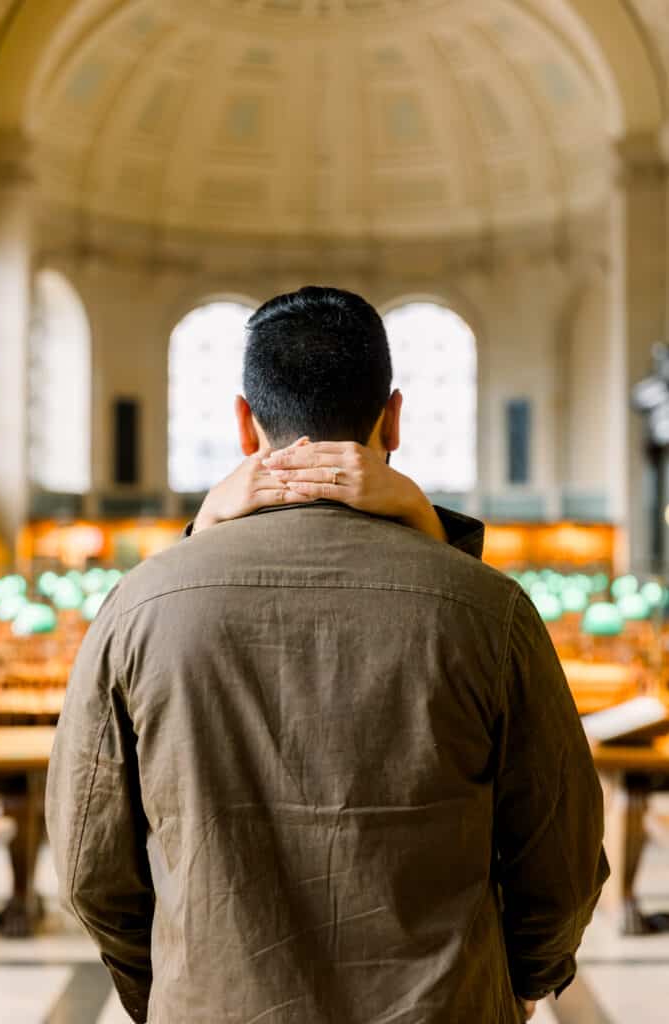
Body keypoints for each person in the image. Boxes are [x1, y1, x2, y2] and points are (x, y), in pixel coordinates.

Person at [46, 286, 608, 1024]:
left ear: (245, 423)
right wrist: (521, 983)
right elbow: (559, 857)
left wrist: (173, 992)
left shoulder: (138, 605)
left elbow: (90, 863)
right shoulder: (490, 609)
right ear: (394, 417)